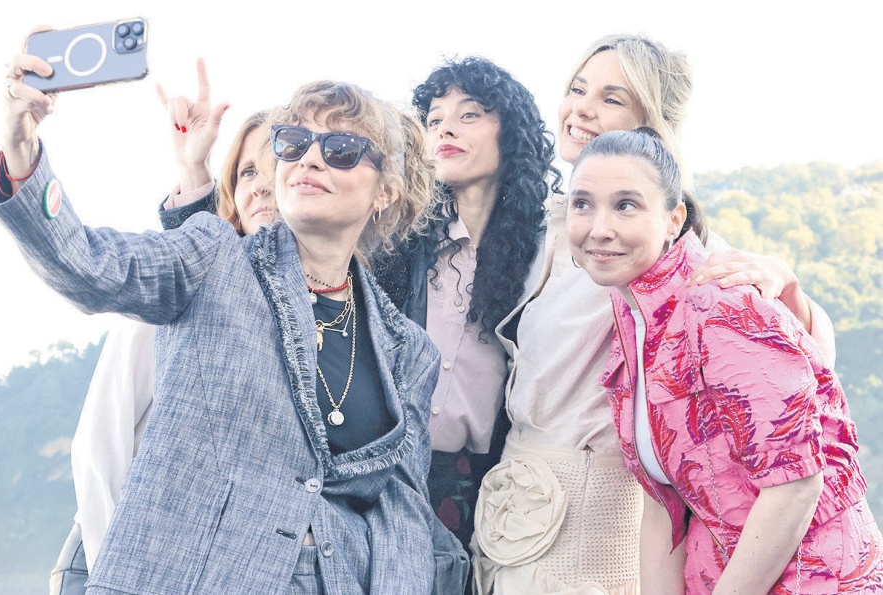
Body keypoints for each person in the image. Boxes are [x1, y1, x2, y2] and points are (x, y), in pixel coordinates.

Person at [0, 45, 466, 593]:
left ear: (387, 191)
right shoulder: (213, 258)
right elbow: (90, 265)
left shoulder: (408, 350)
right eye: (294, 143)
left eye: (340, 149)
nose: (309, 159)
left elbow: (401, 517)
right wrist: (21, 151)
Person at [471, 34, 836, 594]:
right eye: (577, 89)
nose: (582, 109)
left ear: (652, 124)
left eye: (611, 98)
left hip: (593, 526)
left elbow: (797, 370)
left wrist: (788, 289)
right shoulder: (547, 225)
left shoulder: (668, 248)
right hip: (510, 516)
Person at [569, 126, 883, 594]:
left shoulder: (721, 308)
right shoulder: (633, 321)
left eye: (626, 205)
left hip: (816, 578)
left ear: (674, 220)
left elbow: (795, 484)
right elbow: (664, 503)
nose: (599, 228)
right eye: (582, 204)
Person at [49, 101, 275, 594]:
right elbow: (100, 445)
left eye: (276, 166)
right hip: (112, 558)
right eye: (247, 171)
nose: (261, 185)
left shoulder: (311, 318)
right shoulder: (183, 285)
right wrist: (116, 576)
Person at [374, 56, 560, 550]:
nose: (446, 128)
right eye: (434, 120)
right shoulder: (396, 241)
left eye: (470, 114)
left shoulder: (543, 252)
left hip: (479, 484)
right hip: (381, 466)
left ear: (511, 132)